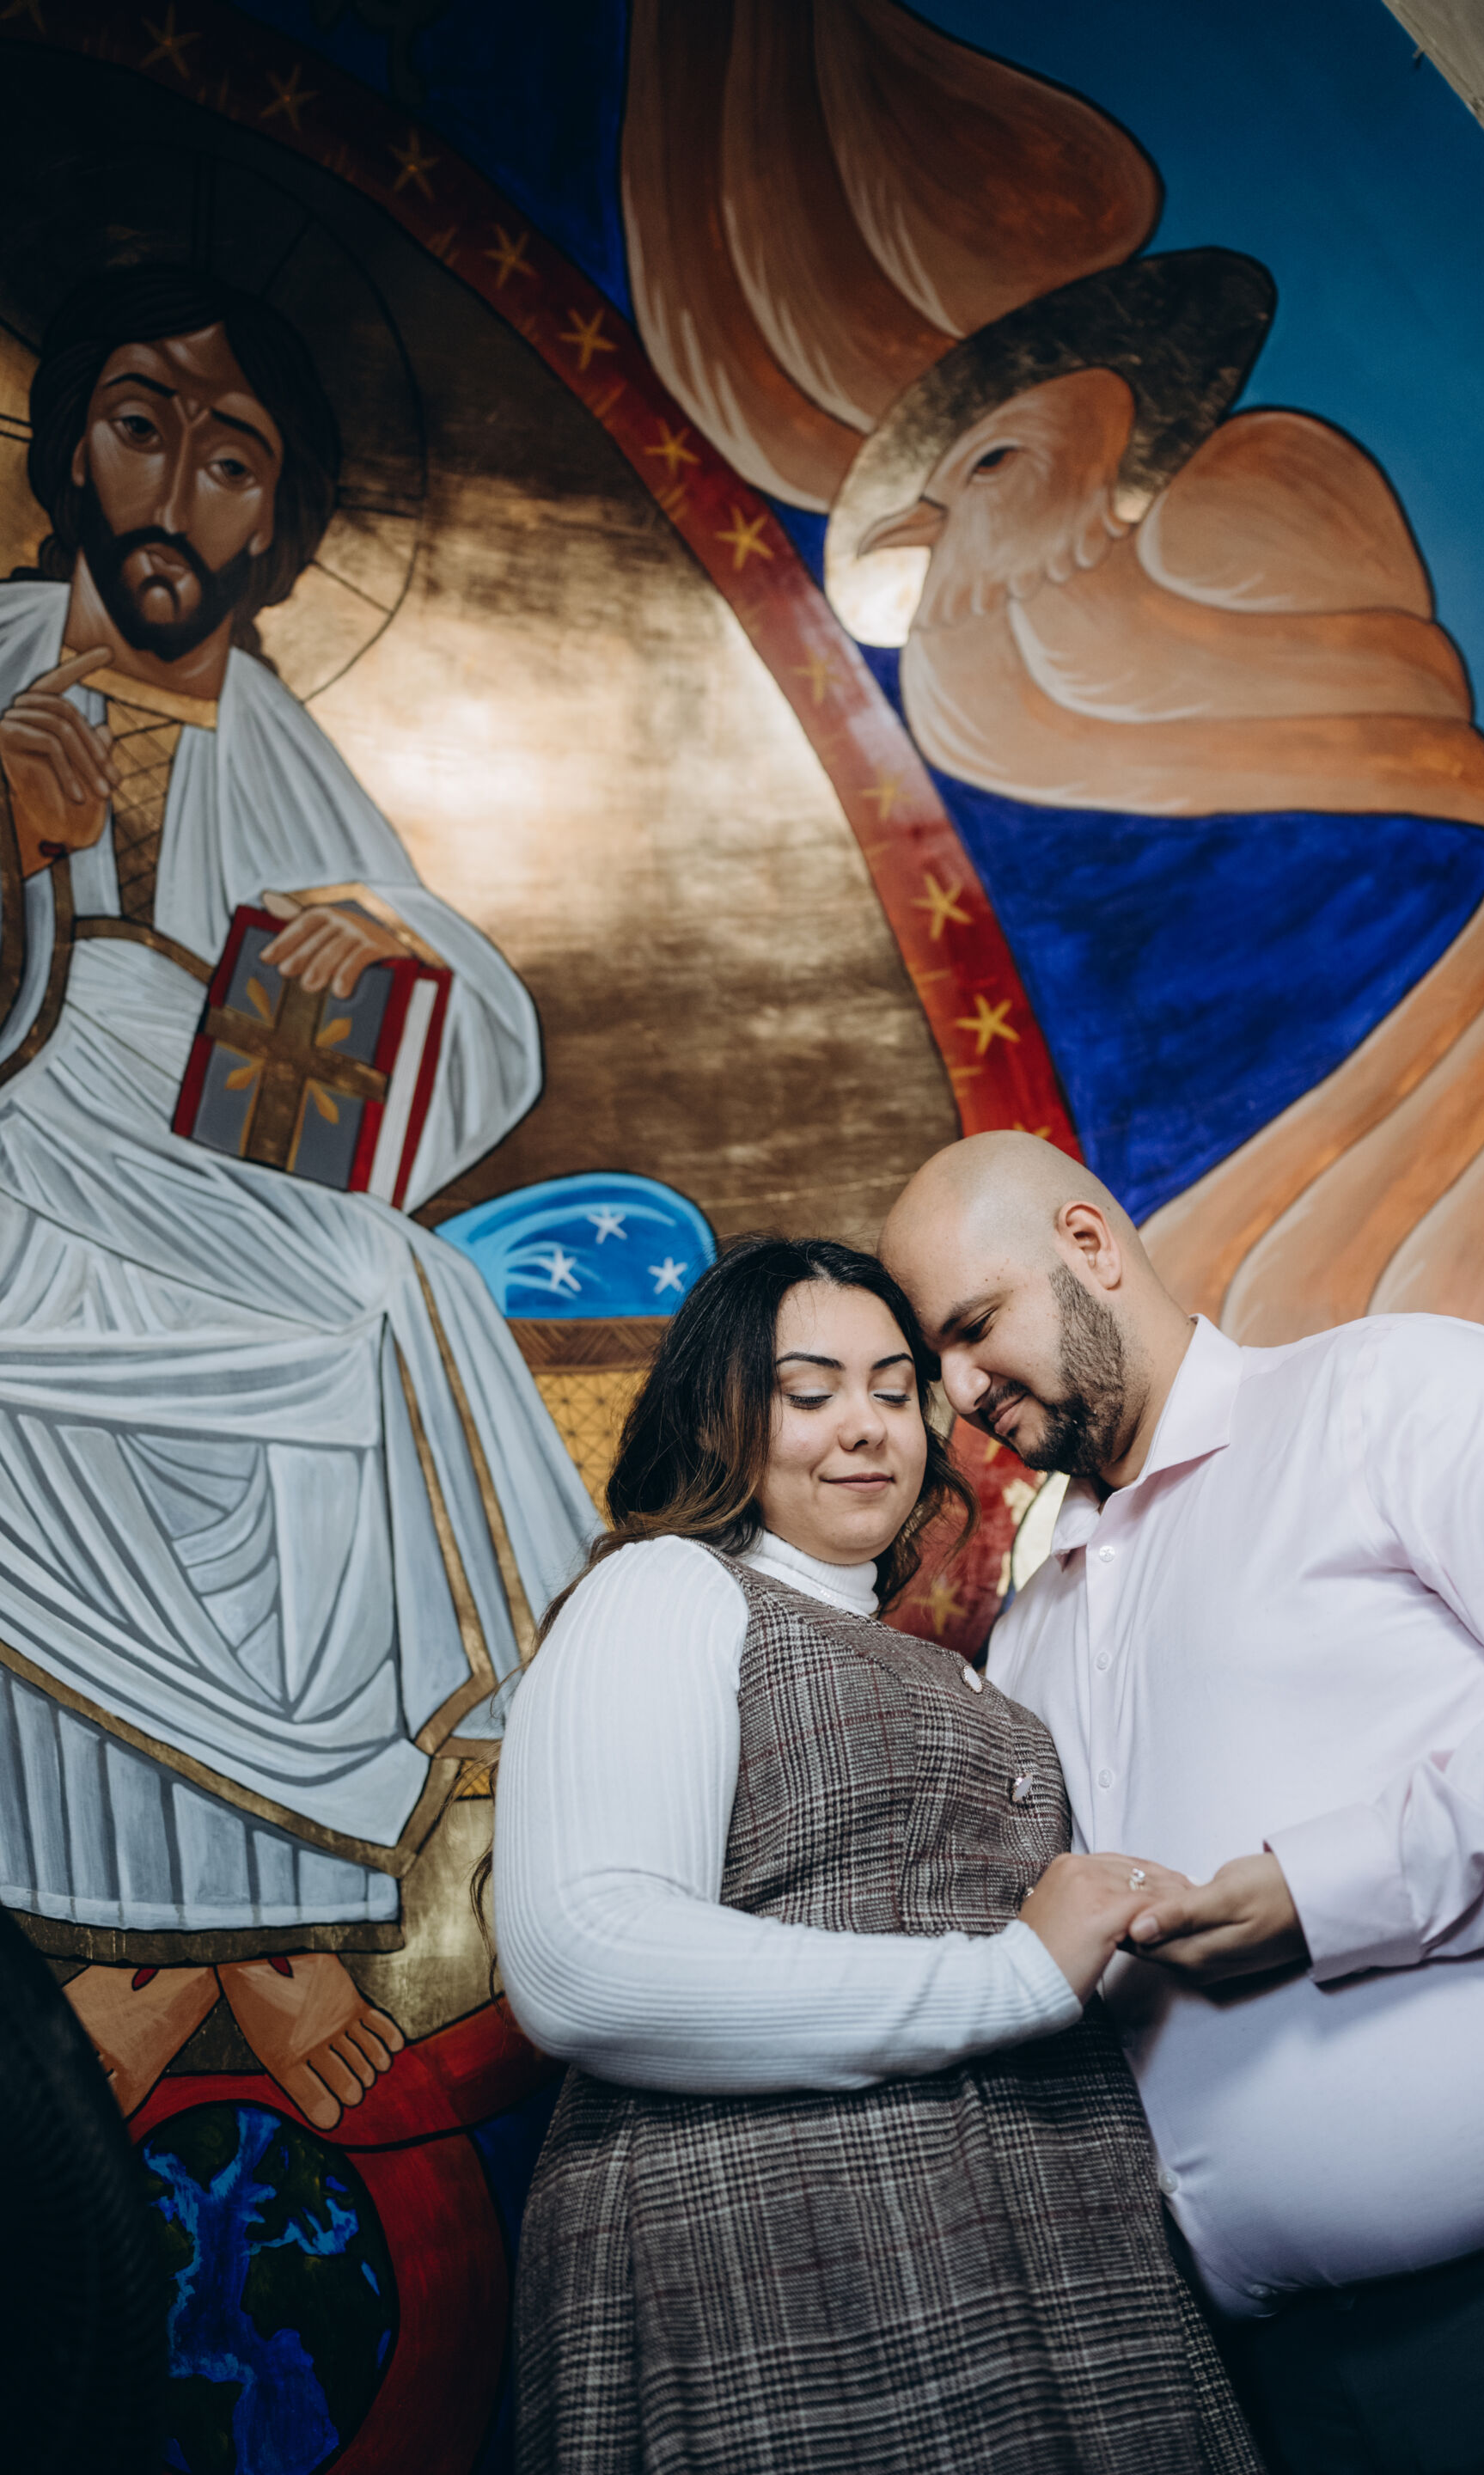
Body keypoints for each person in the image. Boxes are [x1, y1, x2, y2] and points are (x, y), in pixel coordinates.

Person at [0, 266, 593, 2129]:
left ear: (276, 519)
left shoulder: (270, 736)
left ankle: (254, 1901)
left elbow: (460, 1014)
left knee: (396, 1298)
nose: (177, 495)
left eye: (232, 460)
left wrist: (388, 939)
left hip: (197, 1174)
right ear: (70, 449)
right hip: (16, 1137)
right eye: (141, 428)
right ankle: (210, 1938)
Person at [881, 1129, 1484, 2475]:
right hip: (1283, 2390)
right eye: (934, 1357)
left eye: (976, 1327)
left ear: (1087, 1246)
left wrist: (1322, 1889)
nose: (958, 1393)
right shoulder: (1030, 1631)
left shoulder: (1388, 1396)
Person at [494, 1234, 1261, 2474]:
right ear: (720, 1417)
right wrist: (1011, 1977)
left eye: (896, 1393)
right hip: (794, 2258)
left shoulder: (963, 1661)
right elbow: (584, 1957)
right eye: (809, 1394)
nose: (865, 1426)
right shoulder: (668, 1586)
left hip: (1047, 2257)